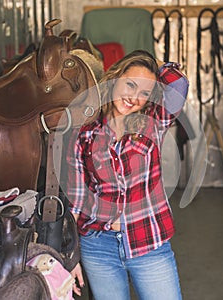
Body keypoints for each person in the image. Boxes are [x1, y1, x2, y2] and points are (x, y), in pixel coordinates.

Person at [67, 49, 189, 299]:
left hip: (149, 242)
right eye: (130, 85)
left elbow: (179, 83)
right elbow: (77, 200)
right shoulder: (85, 132)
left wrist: (151, 63)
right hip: (98, 245)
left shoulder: (154, 120)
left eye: (145, 93)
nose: (134, 97)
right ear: (114, 78)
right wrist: (70, 255)